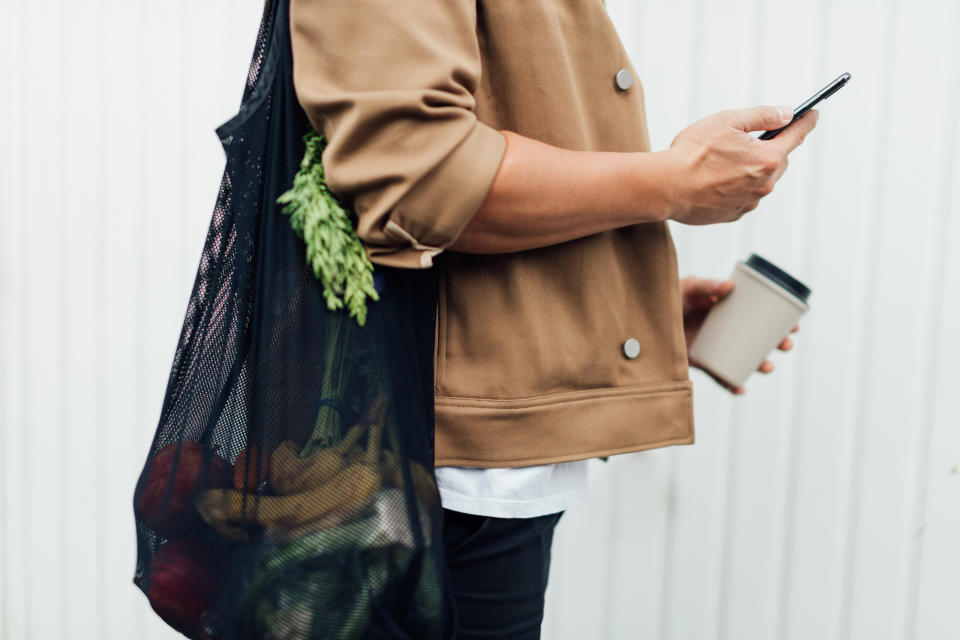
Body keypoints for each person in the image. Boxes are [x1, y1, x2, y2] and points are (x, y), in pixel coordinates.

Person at [289, 0, 816, 637]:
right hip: (436, 482)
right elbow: (423, 176)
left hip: (463, 472)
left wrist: (627, 309)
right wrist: (677, 181)